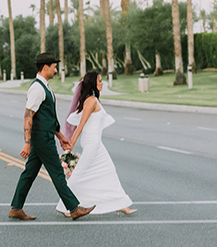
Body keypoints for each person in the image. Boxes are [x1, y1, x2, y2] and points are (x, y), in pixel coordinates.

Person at [9, 52, 95, 221]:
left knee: (30, 173)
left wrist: (60, 136)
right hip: (41, 138)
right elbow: (28, 116)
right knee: (56, 172)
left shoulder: (45, 86)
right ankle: (74, 208)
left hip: (46, 135)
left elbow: (47, 117)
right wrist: (27, 143)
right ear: (46, 67)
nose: (56, 70)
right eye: (54, 67)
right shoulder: (37, 88)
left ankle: (16, 207)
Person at [56, 71, 137, 217]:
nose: (102, 83)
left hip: (96, 143)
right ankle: (63, 206)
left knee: (109, 171)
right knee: (79, 174)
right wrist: (71, 144)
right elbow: (81, 124)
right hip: (91, 142)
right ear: (93, 83)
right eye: (99, 80)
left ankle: (122, 204)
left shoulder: (91, 99)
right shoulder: (91, 100)